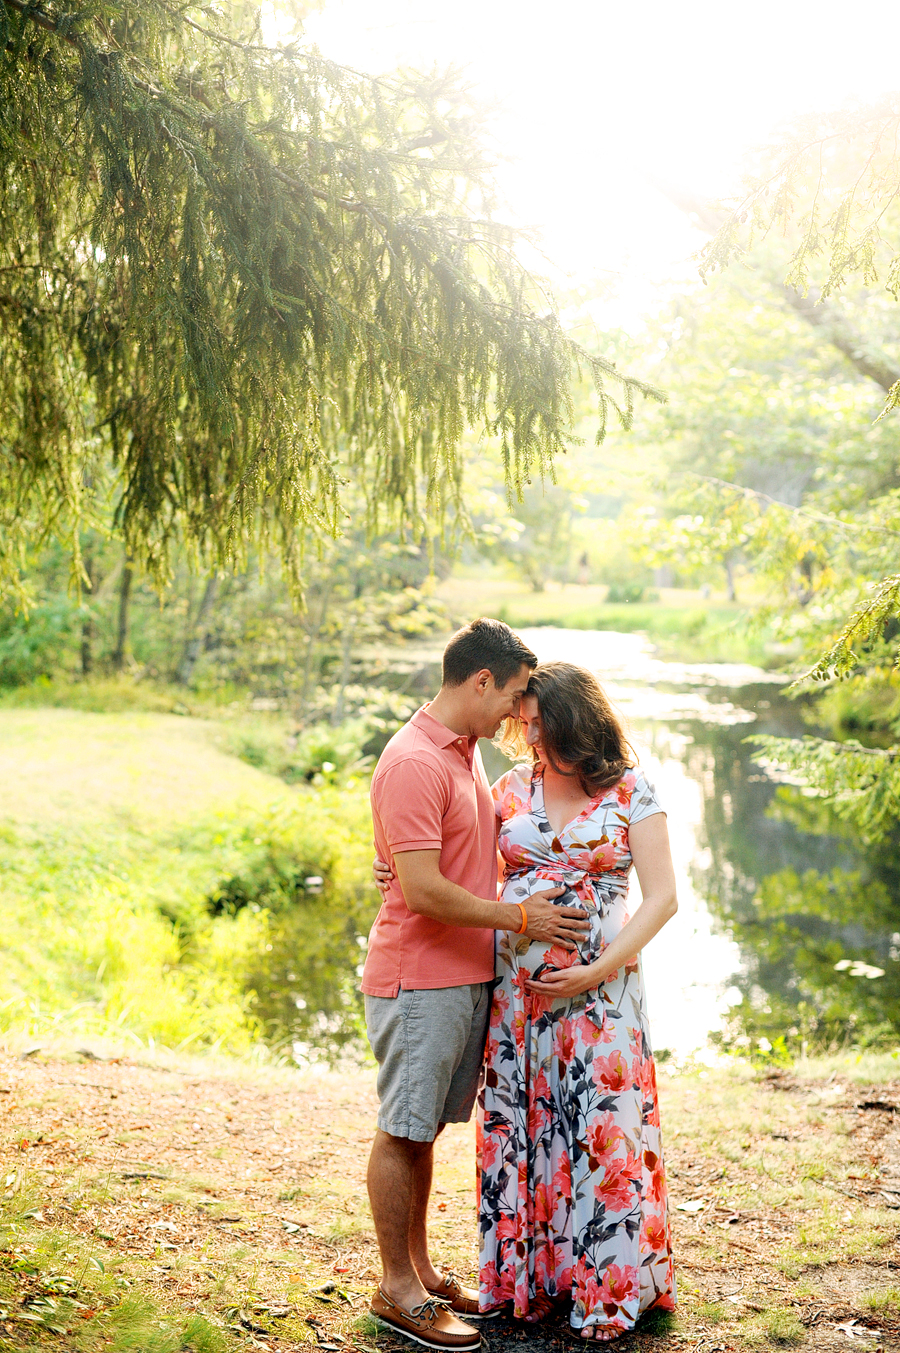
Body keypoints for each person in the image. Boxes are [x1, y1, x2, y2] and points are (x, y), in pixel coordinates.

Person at [376, 660, 678, 1344]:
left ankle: (607, 1286)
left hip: (602, 1001)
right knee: (525, 1133)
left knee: (601, 1132)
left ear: (577, 718)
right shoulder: (511, 788)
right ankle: (529, 1283)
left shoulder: (632, 790)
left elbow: (663, 898)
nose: (530, 733)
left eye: (541, 721)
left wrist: (595, 968)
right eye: (526, 721)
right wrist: (392, 861)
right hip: (519, 1008)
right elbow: (448, 852)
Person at [362, 621, 591, 1352]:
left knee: (423, 1127)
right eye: (517, 693)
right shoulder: (412, 761)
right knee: (403, 1128)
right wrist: (522, 914)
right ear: (482, 681)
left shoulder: (461, 754)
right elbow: (425, 890)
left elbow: (441, 858)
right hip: (418, 978)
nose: (519, 714)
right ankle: (396, 1290)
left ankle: (422, 1273)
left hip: (464, 974)